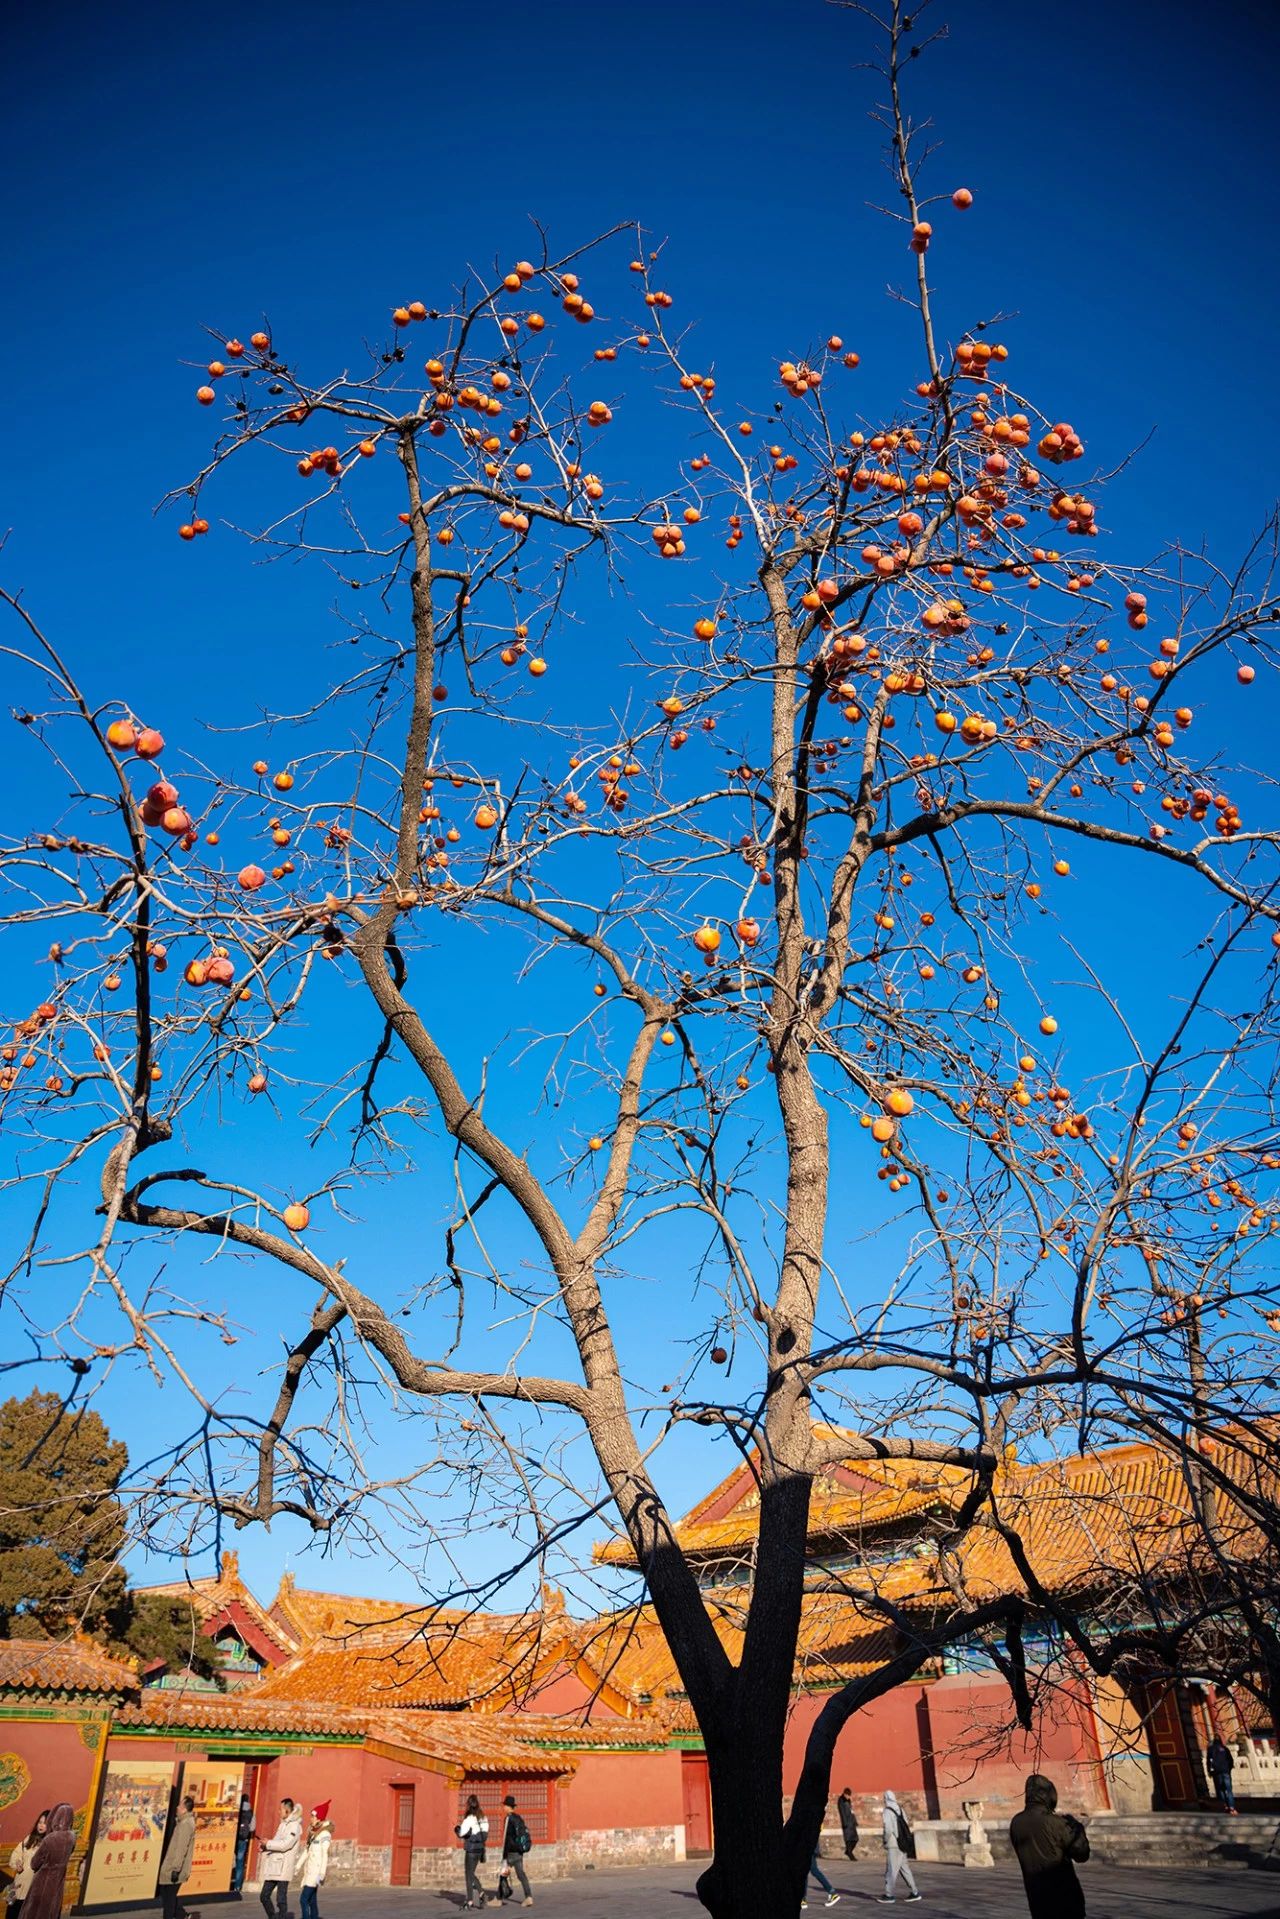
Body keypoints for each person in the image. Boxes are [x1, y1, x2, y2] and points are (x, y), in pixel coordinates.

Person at [1009, 1773, 1090, 1919]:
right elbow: (1082, 1855)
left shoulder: (1016, 1822)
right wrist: (1077, 1829)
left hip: (1036, 1897)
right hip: (1064, 1897)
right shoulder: (1055, 1823)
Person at [20, 1805, 76, 1919]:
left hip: (43, 1878)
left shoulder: (50, 1838)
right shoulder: (72, 1837)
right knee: (51, 1908)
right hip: (59, 1878)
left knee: (34, 1910)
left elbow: (34, 1863)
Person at [258, 1799, 303, 1919]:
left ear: (287, 1810)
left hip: (284, 1868)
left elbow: (285, 1845)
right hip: (274, 1866)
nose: (279, 1811)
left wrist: (269, 1843)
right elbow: (276, 1842)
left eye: (281, 1809)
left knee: (280, 1899)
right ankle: (273, 1917)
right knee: (264, 1896)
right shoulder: (282, 1824)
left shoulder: (295, 1826)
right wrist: (265, 1846)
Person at [879, 1790, 921, 1905]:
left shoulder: (887, 1811)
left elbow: (888, 1829)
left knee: (891, 1870)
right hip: (902, 1843)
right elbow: (906, 1824)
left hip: (893, 1844)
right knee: (905, 1869)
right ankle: (915, 1892)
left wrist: (885, 1840)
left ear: (886, 1798)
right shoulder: (900, 1809)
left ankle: (889, 1895)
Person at [159, 1794, 197, 1919]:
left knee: (168, 1899)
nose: (177, 1807)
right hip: (172, 1865)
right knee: (166, 1895)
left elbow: (182, 1848)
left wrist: (176, 1869)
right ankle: (183, 1916)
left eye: (180, 1805)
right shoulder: (183, 1822)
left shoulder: (186, 1824)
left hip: (175, 1867)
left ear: (185, 1809)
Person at [7, 1810, 49, 1919]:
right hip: (18, 1883)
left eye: (45, 1823)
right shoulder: (29, 1838)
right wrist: (17, 1863)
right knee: (11, 1913)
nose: (41, 1825)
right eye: (40, 1822)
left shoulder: (48, 1843)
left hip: (32, 1886)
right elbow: (17, 1853)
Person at [296, 1803, 331, 1919]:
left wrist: (322, 1873)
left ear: (319, 1818)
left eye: (313, 1816)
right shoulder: (312, 1833)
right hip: (309, 1871)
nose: (310, 1818)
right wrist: (298, 1866)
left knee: (303, 1899)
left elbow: (324, 1854)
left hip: (316, 1873)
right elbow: (307, 1851)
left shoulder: (325, 1834)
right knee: (311, 1900)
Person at [497, 1795, 533, 1907]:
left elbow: (506, 1838)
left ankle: (498, 1899)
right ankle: (529, 1897)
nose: (503, 1807)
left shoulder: (508, 1818)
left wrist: (504, 1854)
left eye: (504, 1806)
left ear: (508, 1807)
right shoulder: (518, 1818)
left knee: (503, 1874)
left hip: (510, 1852)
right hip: (519, 1851)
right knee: (521, 1875)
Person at [455, 1794, 489, 1910]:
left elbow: (461, 1833)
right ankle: (480, 1895)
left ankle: (472, 1899)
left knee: (468, 1875)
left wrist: (457, 1829)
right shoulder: (483, 1817)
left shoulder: (468, 1819)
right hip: (480, 1849)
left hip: (471, 1850)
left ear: (469, 1805)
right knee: (471, 1874)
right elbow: (485, 1834)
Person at [1206, 1735, 1238, 1813]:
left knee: (1220, 1789)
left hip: (1217, 1772)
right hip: (1226, 1771)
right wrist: (1229, 1769)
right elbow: (1230, 1760)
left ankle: (1225, 1806)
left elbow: (1208, 1762)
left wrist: (1209, 1771)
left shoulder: (1211, 1749)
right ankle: (1232, 1807)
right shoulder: (1225, 1748)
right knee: (1229, 1790)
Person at [232, 1794, 256, 1893]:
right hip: (243, 1839)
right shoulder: (251, 1813)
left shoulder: (235, 1809)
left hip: (233, 1838)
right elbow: (252, 1828)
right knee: (240, 1863)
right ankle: (237, 1886)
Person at [836, 1789, 859, 1861]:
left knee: (856, 1839)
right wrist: (845, 1823)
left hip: (851, 1822)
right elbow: (842, 1813)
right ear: (845, 1794)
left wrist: (855, 1821)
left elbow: (852, 1811)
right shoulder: (841, 1801)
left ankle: (848, 1851)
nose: (849, 1797)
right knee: (848, 1840)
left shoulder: (848, 1801)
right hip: (846, 1823)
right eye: (848, 1795)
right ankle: (850, 1854)